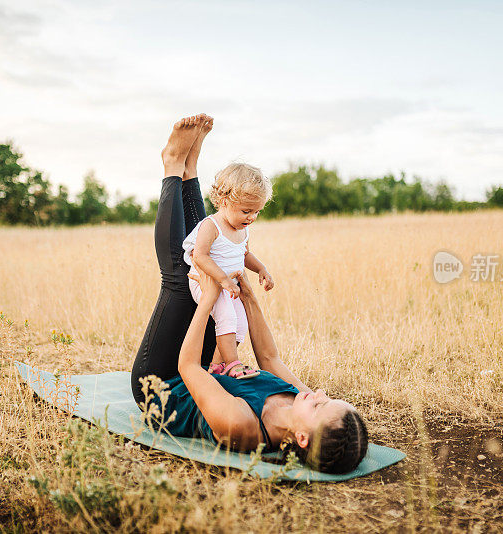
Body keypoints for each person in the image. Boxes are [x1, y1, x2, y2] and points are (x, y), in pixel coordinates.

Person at [130, 114, 368, 473]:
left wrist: (209, 299)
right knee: (210, 245)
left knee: (181, 278)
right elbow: (269, 358)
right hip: (199, 363)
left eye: (319, 406)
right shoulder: (297, 399)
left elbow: (188, 367)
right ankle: (190, 168)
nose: (317, 394)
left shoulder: (241, 426)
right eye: (328, 398)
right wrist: (250, 297)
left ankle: (171, 166)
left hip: (163, 385)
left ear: (302, 438)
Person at [182, 161, 274, 379]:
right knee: (226, 317)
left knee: (240, 323)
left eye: (257, 212)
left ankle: (216, 366)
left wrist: (261, 269)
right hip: (207, 283)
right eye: (246, 211)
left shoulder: (243, 230)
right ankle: (233, 363)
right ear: (224, 201)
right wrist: (223, 280)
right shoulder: (211, 226)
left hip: (229, 286)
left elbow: (245, 255)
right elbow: (199, 256)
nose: (251, 217)